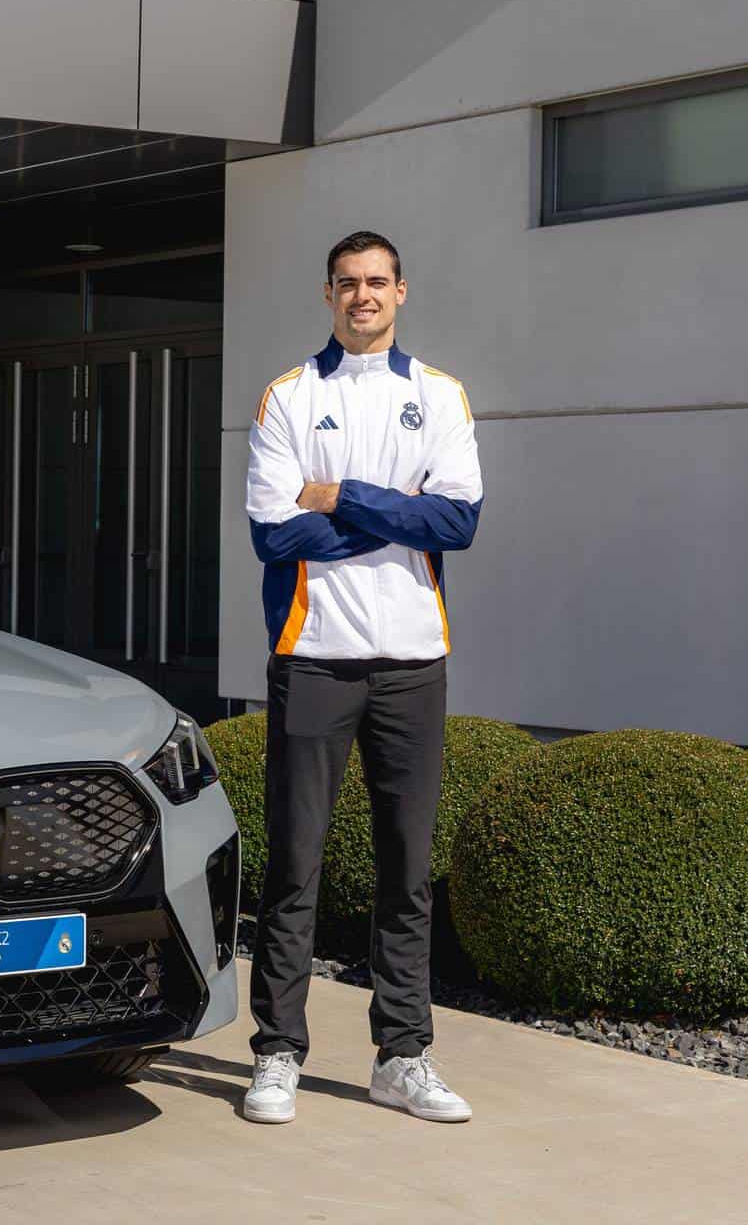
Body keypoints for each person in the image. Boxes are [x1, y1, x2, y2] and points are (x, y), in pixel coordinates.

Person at [239, 230, 483, 1125]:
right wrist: (399, 512)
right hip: (314, 657)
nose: (363, 296)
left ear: (401, 291)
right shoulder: (289, 396)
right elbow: (274, 535)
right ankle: (277, 1054)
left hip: (413, 663)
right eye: (348, 283)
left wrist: (340, 494)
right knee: (294, 865)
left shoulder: (440, 395)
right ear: (329, 294)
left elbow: (456, 523)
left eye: (377, 281)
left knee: (407, 870)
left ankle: (402, 1056)